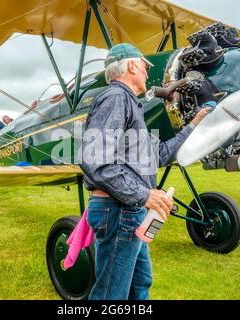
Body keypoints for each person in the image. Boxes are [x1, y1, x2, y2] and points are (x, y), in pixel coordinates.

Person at [79, 43, 211, 300]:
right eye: (144, 65)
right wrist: (144, 195)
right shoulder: (117, 98)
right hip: (119, 211)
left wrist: (193, 125)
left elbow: (159, 155)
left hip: (130, 210)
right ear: (131, 65)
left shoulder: (130, 104)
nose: (148, 72)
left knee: (140, 283)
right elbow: (95, 160)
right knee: (111, 294)